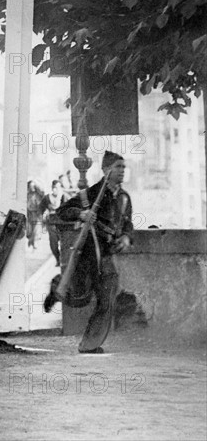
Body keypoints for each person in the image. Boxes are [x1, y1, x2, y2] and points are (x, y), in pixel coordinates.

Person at [44, 151, 133, 354]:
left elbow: (128, 224)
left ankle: (89, 344)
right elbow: (62, 211)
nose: (121, 171)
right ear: (105, 170)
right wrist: (82, 213)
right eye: (117, 167)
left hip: (108, 256)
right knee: (79, 297)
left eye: (123, 167)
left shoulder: (124, 198)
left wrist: (127, 237)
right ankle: (58, 287)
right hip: (88, 255)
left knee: (106, 300)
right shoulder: (90, 194)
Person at [39, 180, 66, 266]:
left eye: (58, 188)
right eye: (54, 188)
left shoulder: (63, 197)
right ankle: (58, 259)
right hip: (51, 223)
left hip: (62, 223)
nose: (56, 190)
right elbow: (40, 208)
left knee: (64, 243)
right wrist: (44, 213)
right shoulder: (47, 198)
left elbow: (67, 208)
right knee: (53, 244)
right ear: (52, 188)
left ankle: (63, 260)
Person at [26, 180, 44, 249]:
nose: (32, 187)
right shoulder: (28, 195)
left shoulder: (38, 195)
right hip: (29, 213)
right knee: (29, 230)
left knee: (37, 228)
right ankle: (31, 241)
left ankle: (34, 242)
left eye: (33, 186)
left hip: (37, 214)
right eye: (31, 186)